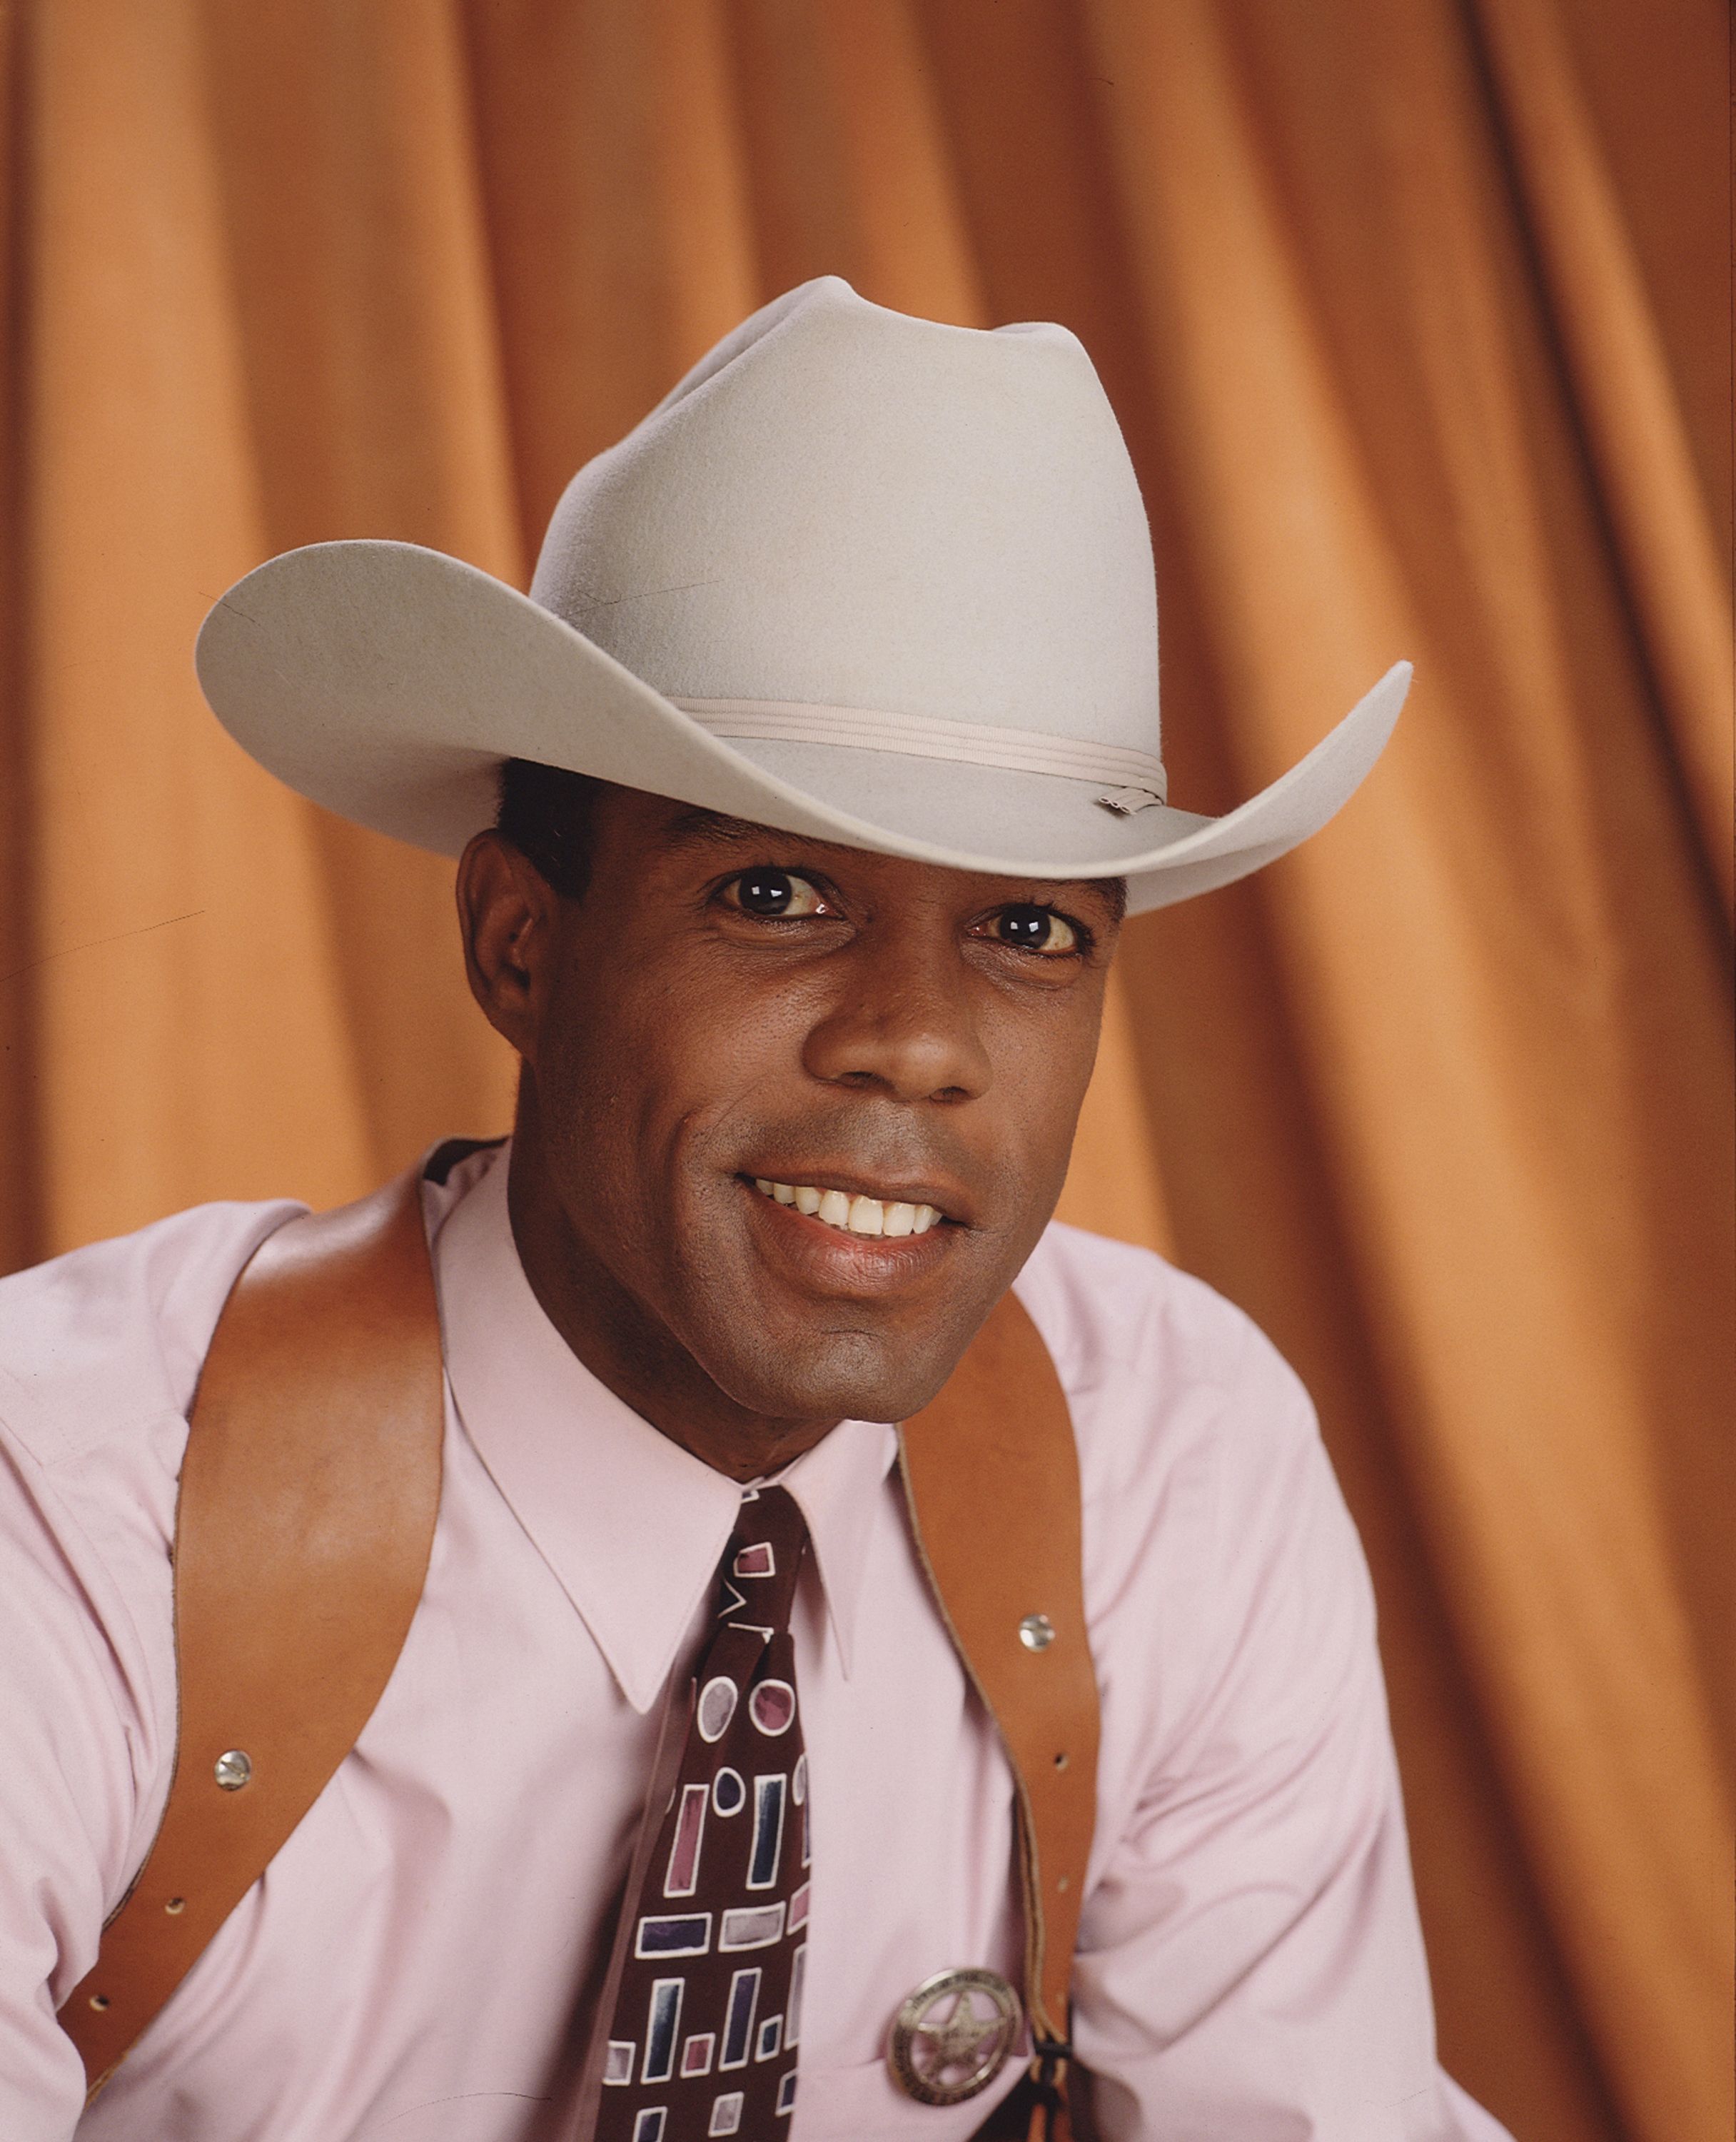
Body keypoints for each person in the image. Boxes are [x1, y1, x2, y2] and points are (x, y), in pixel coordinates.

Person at [0, 278, 1509, 2140]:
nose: (915, 1046)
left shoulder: (1168, 1465)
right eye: (778, 895)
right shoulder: (72, 1507)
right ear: (521, 943)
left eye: (1031, 930)